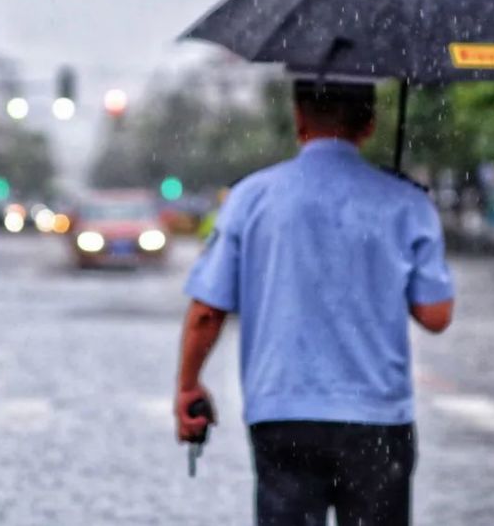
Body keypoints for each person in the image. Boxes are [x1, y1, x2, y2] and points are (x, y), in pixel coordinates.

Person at [174, 80, 454, 526]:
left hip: (283, 413)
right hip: (376, 418)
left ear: (299, 117)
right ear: (369, 124)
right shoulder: (407, 203)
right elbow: (436, 315)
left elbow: (207, 311)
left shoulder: (252, 196)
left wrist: (189, 384)